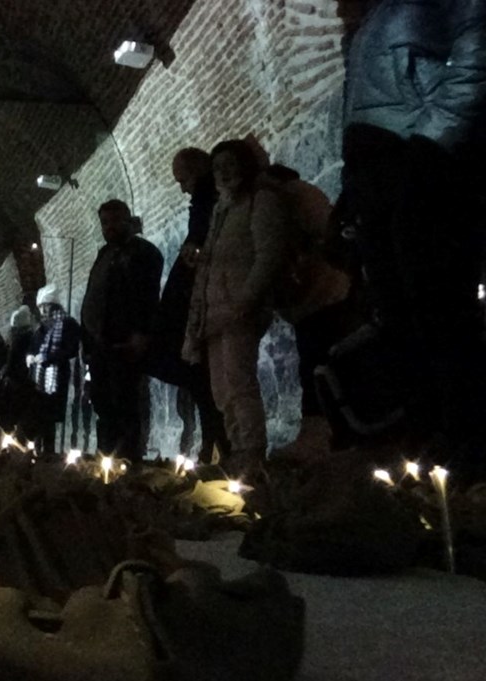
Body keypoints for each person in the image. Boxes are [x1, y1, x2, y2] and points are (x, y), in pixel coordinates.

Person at [339, 0, 486, 471]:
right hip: (376, 169)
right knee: (398, 312)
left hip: (418, 159)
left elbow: (476, 49)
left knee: (438, 306)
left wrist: (432, 140)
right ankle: (429, 443)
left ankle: (469, 443)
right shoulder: (374, 18)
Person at [183, 140, 291, 474]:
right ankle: (236, 450)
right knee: (221, 389)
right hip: (215, 311)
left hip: (238, 309)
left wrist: (245, 300)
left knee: (239, 382)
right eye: (217, 167)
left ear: (244, 165)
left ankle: (252, 451)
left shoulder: (261, 200)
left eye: (230, 164)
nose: (223, 172)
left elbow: (268, 255)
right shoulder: (222, 208)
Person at [258, 165, 365, 456]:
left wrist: (299, 258)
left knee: (324, 362)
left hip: (324, 293)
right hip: (312, 297)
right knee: (315, 363)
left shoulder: (297, 196)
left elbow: (325, 235)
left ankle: (333, 434)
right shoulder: (292, 197)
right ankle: (332, 434)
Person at [147, 149, 230, 461]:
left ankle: (221, 447)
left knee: (205, 378)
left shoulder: (212, 202)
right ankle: (215, 446)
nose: (182, 188)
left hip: (200, 304)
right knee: (200, 381)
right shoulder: (205, 203)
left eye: (184, 180)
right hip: (192, 302)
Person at [79, 200, 164, 462]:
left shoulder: (144, 253)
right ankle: (107, 458)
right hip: (100, 343)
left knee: (125, 401)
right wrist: (88, 340)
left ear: (128, 220)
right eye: (105, 223)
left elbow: (147, 297)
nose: (110, 227)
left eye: (115, 221)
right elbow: (94, 296)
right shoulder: (104, 254)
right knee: (103, 402)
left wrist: (141, 333)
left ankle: (128, 459)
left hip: (126, 341)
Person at [29, 284, 82, 457]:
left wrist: (50, 358)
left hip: (57, 376)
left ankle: (48, 453)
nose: (43, 310)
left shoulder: (67, 324)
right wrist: (30, 357)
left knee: (49, 416)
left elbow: (71, 349)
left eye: (46, 306)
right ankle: (38, 451)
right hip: (39, 379)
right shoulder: (42, 328)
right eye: (40, 307)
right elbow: (34, 346)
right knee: (39, 415)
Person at [0, 305, 37, 441]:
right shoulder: (32, 338)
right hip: (27, 382)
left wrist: (7, 374)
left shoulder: (20, 340)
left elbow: (13, 360)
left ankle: (21, 443)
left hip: (19, 382)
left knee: (17, 413)